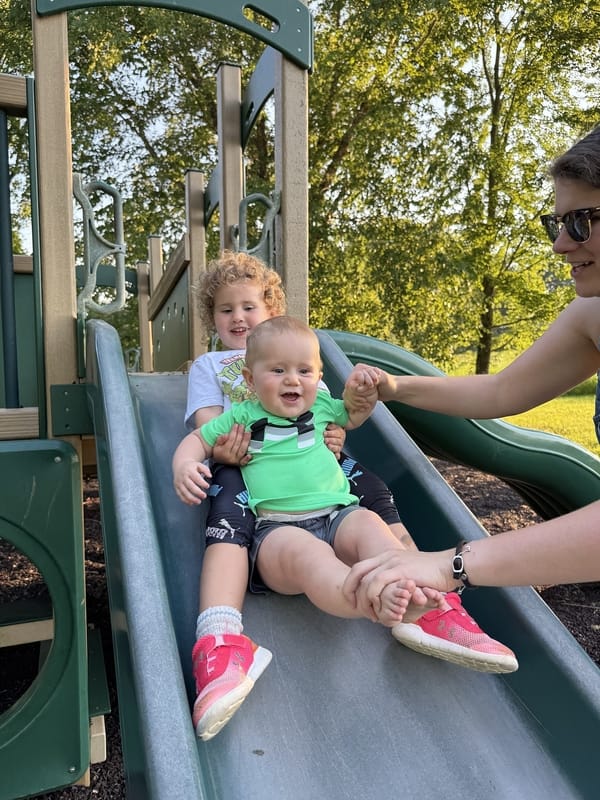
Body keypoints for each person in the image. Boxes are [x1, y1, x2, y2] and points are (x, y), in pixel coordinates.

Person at [176, 253, 518, 742]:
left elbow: (346, 415)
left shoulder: (306, 377)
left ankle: (428, 600)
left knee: (369, 510)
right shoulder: (218, 370)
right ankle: (228, 637)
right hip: (253, 477)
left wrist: (351, 409)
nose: (237, 317)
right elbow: (204, 432)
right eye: (226, 310)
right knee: (258, 529)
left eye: (248, 307)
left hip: (325, 491)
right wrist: (195, 460)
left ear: (271, 309)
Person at [342, 124, 600, 616]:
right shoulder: (593, 315)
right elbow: (501, 390)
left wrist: (451, 565)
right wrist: (394, 387)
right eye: (557, 224)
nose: (560, 245)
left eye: (582, 222)